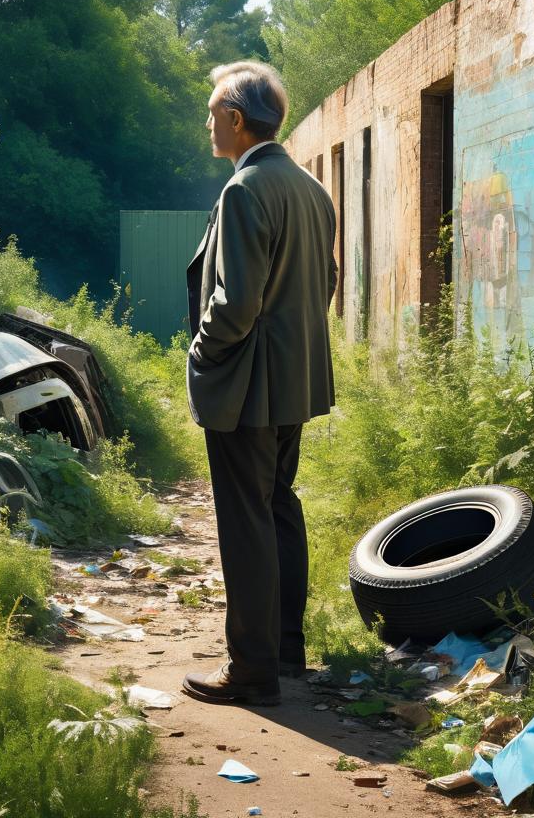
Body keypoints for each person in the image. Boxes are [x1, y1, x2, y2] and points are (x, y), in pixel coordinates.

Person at [182, 61, 338, 706]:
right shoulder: (309, 187)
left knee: (247, 520)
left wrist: (204, 349)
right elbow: (324, 284)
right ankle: (285, 650)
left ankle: (252, 671)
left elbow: (236, 300)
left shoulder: (245, 189)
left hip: (248, 383)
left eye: (214, 113)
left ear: (237, 120)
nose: (209, 124)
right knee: (277, 505)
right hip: (293, 381)